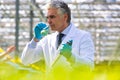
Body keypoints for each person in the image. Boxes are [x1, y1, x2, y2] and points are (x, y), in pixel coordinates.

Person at [21, 0, 94, 70]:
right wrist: (35, 39)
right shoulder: (47, 40)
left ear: (65, 17)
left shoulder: (83, 36)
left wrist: (71, 57)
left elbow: (89, 66)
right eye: (47, 18)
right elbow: (26, 61)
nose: (49, 21)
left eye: (52, 17)